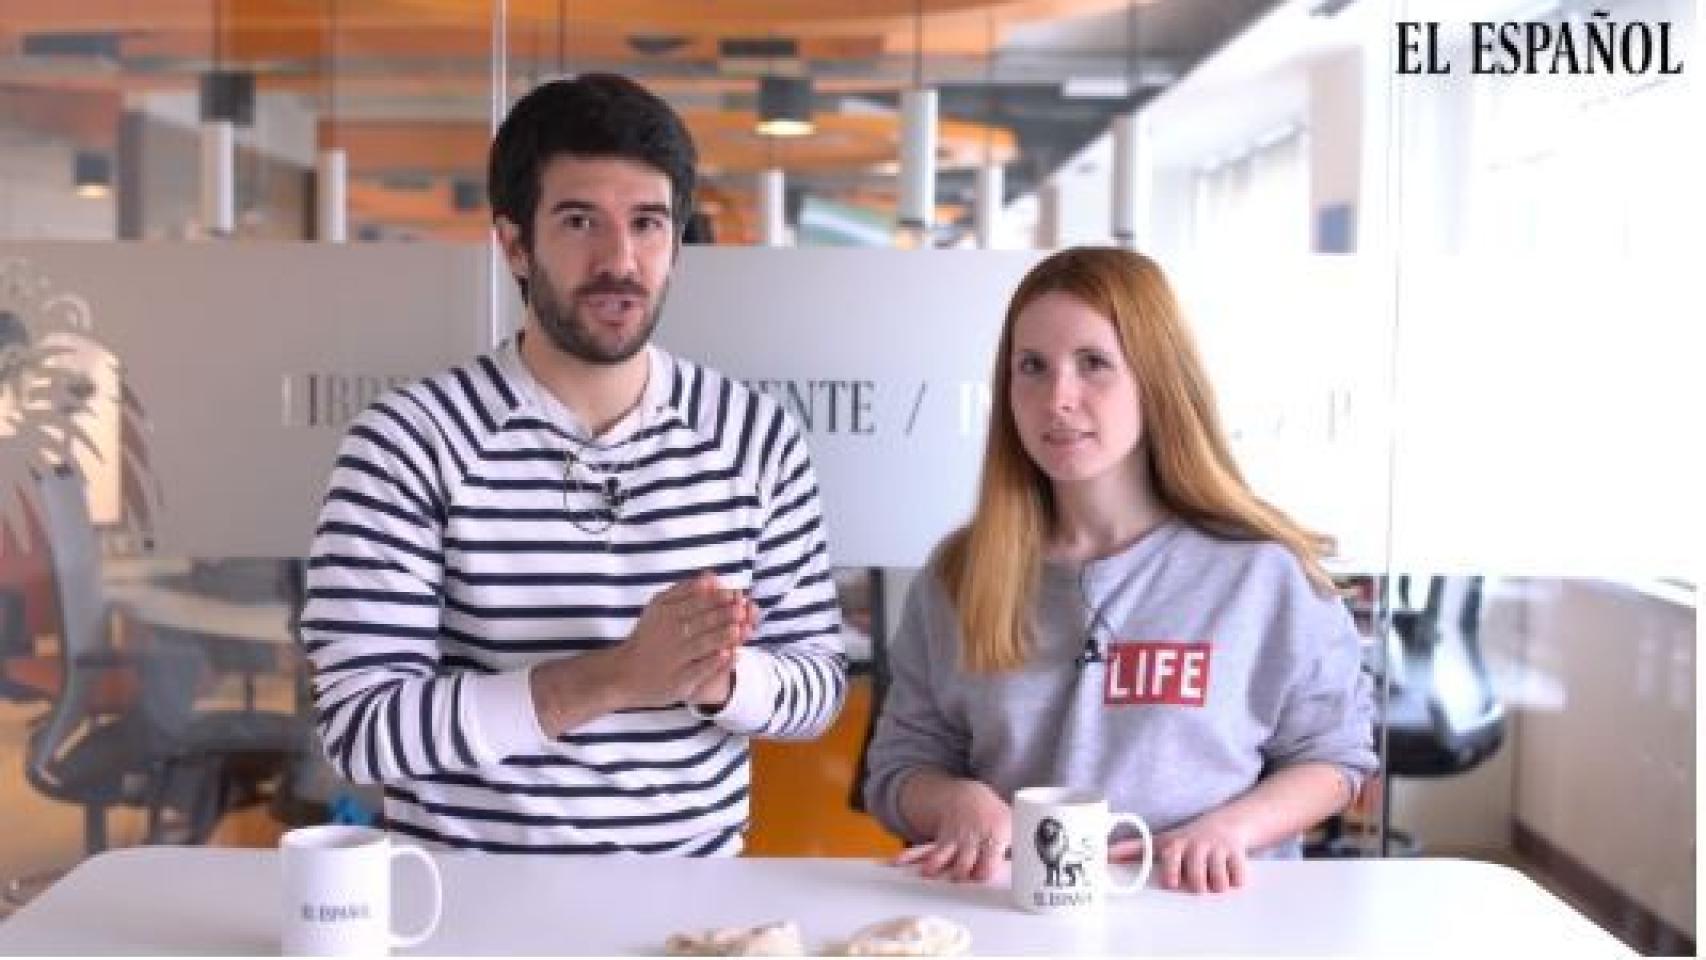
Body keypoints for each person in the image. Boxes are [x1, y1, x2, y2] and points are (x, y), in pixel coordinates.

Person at [300, 74, 847, 855]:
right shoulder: (407, 442)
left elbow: (818, 686)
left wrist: (715, 677)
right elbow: (362, 731)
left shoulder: (756, 436)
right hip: (464, 908)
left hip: (691, 916)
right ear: (515, 243)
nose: (620, 260)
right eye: (580, 221)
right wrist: (620, 677)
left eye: (648, 224)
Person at [862, 247, 1375, 893]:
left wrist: (1232, 829)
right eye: (1032, 368)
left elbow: (1333, 758)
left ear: (1156, 380)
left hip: (1202, 922)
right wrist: (955, 802)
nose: (1058, 398)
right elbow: (900, 770)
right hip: (1015, 926)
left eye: (1094, 364)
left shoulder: (1263, 573)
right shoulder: (960, 573)